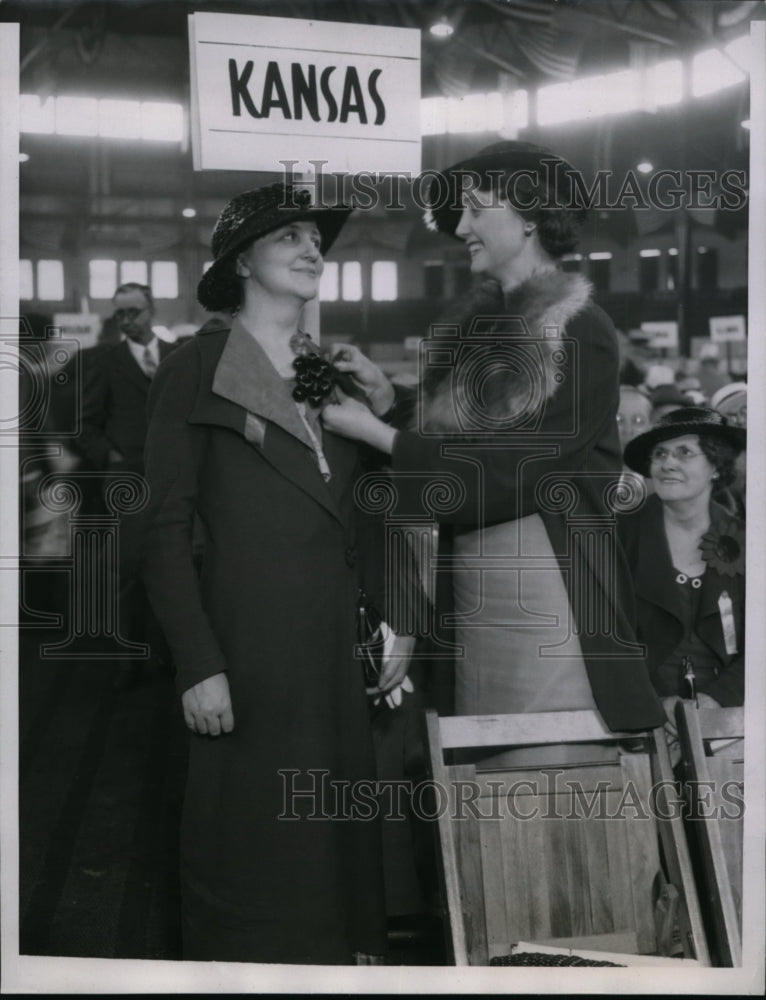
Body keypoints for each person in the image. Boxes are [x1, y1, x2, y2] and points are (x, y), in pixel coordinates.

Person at [323, 140, 663, 738]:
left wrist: (380, 436)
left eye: (477, 209)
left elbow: (516, 468)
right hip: (475, 584)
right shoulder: (489, 331)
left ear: (529, 216)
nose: (461, 227)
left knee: (550, 779)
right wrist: (388, 400)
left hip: (550, 592)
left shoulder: (579, 329)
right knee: (488, 784)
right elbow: (467, 441)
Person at [139, 183, 388, 964]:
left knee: (334, 863)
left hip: (335, 662)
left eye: (319, 239)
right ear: (243, 261)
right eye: (291, 238)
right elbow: (161, 528)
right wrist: (197, 661)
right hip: (246, 655)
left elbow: (368, 511)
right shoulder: (198, 364)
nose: (314, 249)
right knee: (251, 858)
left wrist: (389, 617)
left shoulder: (331, 373)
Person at [619, 408, 745, 725]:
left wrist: (718, 698)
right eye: (660, 454)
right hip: (640, 717)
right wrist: (650, 704)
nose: (667, 463)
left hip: (728, 719)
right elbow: (603, 639)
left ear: (716, 466)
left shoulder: (747, 541)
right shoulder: (620, 536)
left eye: (684, 453)